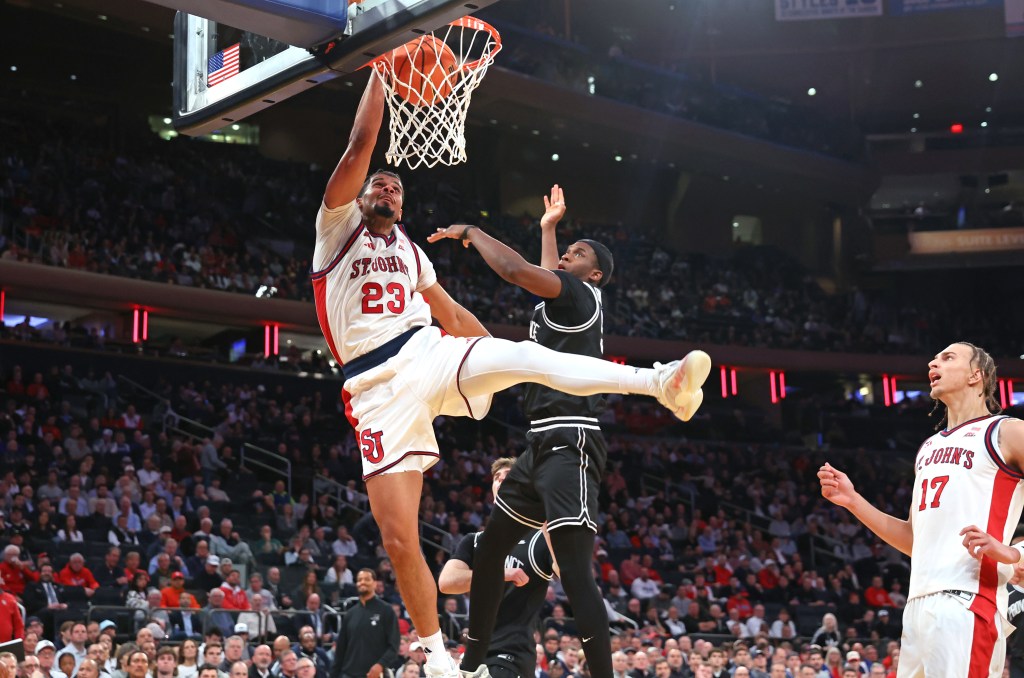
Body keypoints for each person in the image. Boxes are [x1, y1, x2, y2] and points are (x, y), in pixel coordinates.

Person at [316, 75, 710, 678]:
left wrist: (494, 355)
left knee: (525, 354)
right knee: (399, 538)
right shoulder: (335, 232)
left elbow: (450, 314)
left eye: (396, 186)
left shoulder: (413, 252)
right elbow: (362, 141)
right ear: (362, 196)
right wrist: (380, 66)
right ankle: (441, 658)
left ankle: (661, 382)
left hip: (428, 353)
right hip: (374, 389)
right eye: (381, 183)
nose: (388, 187)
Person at [431, 186, 689, 678]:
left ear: (595, 274)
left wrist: (473, 231)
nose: (570, 252)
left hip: (571, 442)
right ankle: (470, 666)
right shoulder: (568, 295)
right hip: (538, 443)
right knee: (489, 551)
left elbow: (515, 272)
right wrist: (548, 228)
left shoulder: (579, 293)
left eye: (580, 251)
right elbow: (549, 271)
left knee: (574, 573)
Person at [819, 342, 1024, 677]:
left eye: (947, 357)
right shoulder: (929, 447)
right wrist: (853, 501)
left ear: (978, 375)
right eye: (934, 358)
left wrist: (1015, 552)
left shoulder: (1007, 431)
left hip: (968, 601)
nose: (933, 362)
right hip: (918, 606)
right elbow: (915, 540)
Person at [439, 457, 555, 678]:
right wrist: (498, 573)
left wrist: (548, 524)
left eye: (508, 477)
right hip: (474, 652)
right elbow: (446, 583)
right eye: (497, 478)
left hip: (511, 653)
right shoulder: (475, 540)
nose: (501, 481)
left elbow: (566, 574)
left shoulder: (540, 538)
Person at [330, 569, 398, 678]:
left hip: (375, 675)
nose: (362, 582)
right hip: (349, 674)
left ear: (375, 583)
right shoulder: (350, 614)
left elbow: (394, 645)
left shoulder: (386, 610)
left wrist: (380, 665)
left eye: (367, 579)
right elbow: (340, 651)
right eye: (359, 580)